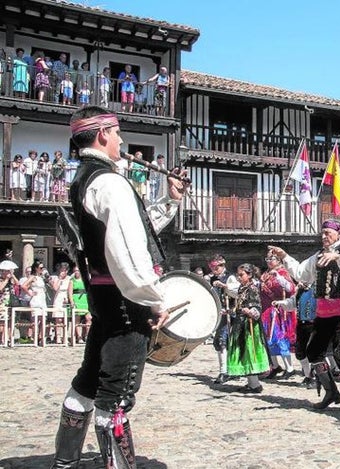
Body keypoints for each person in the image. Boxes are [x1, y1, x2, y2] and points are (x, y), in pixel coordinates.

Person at [50, 105, 187, 469]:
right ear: (102, 134)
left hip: (104, 301)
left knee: (87, 384)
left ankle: (65, 462)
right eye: (118, 132)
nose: (122, 139)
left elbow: (128, 235)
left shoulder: (86, 179)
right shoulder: (110, 182)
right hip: (126, 305)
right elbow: (128, 252)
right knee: (116, 395)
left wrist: (170, 200)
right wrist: (155, 300)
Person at [268, 219, 340, 411]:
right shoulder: (317, 255)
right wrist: (285, 256)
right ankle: (331, 391)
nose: (324, 236)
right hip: (323, 312)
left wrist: (338, 258)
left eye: (328, 233)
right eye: (323, 233)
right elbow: (302, 275)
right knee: (314, 353)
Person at [227, 263, 270, 393]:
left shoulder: (253, 288)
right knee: (243, 353)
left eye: (241, 275)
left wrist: (250, 311)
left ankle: (255, 385)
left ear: (249, 275)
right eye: (238, 275)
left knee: (249, 353)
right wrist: (231, 311)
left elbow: (257, 307)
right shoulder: (242, 288)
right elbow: (240, 305)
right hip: (240, 324)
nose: (239, 277)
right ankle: (251, 383)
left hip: (249, 326)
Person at [259, 251, 297, 378]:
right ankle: (275, 366)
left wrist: (279, 278)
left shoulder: (283, 272)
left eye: (272, 258)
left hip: (279, 310)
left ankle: (290, 368)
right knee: (268, 340)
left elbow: (290, 288)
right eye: (267, 258)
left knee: (280, 338)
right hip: (266, 310)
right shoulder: (265, 274)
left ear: (279, 260)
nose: (269, 261)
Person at [208, 254, 240, 384]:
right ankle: (227, 370)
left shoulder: (230, 277)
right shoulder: (212, 279)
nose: (214, 270)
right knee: (221, 342)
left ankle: (226, 371)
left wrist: (225, 286)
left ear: (222, 266)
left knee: (225, 341)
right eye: (212, 268)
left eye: (216, 267)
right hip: (220, 314)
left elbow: (237, 292)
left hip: (230, 314)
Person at [67, 264, 90, 344]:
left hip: (85, 299)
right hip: (77, 299)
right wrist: (72, 302)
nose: (76, 272)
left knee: (88, 318)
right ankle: (79, 337)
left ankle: (87, 335)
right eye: (75, 271)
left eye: (78, 270)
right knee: (77, 319)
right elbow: (70, 292)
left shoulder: (85, 279)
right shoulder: (72, 281)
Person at [49, 262, 72, 345]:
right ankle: (58, 336)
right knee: (58, 319)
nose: (62, 271)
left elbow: (70, 290)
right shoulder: (55, 278)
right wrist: (60, 279)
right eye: (61, 270)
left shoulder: (70, 278)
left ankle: (65, 336)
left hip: (65, 297)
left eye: (64, 270)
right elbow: (55, 288)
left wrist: (69, 299)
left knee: (65, 319)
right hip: (58, 298)